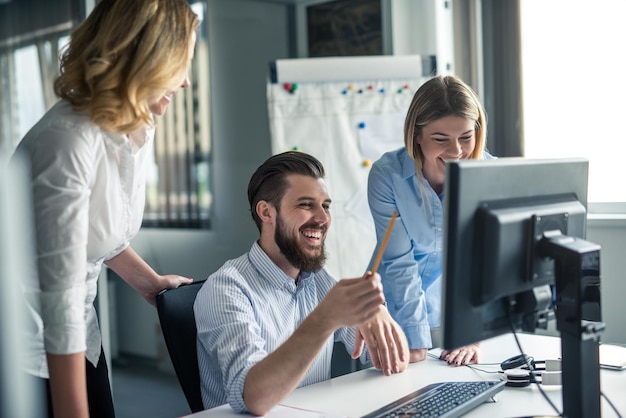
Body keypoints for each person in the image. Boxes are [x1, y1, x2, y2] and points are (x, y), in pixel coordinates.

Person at [13, 1, 200, 417]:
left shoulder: (134, 128)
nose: (186, 82)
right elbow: (56, 296)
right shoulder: (66, 142)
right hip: (30, 340)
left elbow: (99, 234)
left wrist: (151, 285)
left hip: (80, 330)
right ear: (144, 57)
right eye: (179, 65)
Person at [194, 151, 410, 415]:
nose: (322, 218)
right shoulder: (226, 289)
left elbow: (396, 360)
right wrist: (323, 319)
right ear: (266, 212)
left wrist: (378, 309)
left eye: (326, 206)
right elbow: (254, 398)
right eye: (306, 205)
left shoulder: (318, 280)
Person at [367, 75, 493, 367]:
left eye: (465, 137)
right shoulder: (388, 176)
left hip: (455, 318)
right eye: (440, 139)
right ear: (417, 135)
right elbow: (399, 263)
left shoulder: (489, 176)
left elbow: (484, 266)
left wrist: (473, 334)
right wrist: (414, 339)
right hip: (393, 315)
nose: (457, 151)